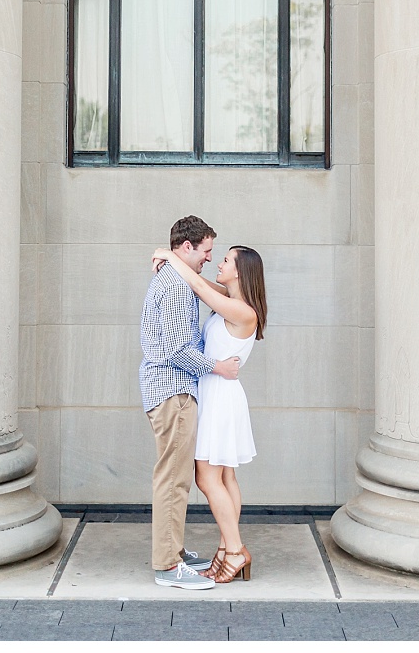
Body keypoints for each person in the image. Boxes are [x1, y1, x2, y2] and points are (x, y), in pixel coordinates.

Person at [150, 242, 266, 585]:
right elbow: (202, 286)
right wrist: (176, 260)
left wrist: (170, 256)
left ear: (240, 272)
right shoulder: (232, 302)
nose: (218, 262)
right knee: (226, 478)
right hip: (217, 393)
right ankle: (225, 548)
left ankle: (234, 550)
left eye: (226, 260)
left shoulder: (244, 312)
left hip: (222, 398)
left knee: (206, 478)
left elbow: (198, 287)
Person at [139, 215, 241, 590]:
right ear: (188, 247)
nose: (208, 260)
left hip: (169, 391)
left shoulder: (174, 276)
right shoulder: (178, 286)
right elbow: (180, 349)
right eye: (206, 252)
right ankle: (168, 567)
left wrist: (166, 254)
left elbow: (220, 293)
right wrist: (219, 367)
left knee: (176, 477)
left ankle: (175, 553)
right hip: (175, 393)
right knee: (174, 480)